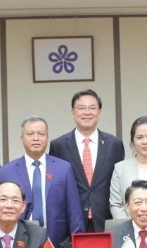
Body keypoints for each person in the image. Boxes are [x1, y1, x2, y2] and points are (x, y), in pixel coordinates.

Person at [0, 115, 84, 248]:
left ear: (47, 137)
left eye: (41, 134)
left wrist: (77, 244)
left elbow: (74, 210)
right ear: (22, 139)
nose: (36, 138)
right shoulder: (7, 171)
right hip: (19, 242)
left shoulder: (63, 168)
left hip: (56, 240)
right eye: (30, 134)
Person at [49, 89, 125, 232]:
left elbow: (119, 184)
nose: (87, 112)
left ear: (99, 113)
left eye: (92, 108)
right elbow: (56, 187)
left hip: (106, 221)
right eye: (81, 108)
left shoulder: (114, 144)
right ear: (72, 113)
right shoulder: (58, 145)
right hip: (72, 222)